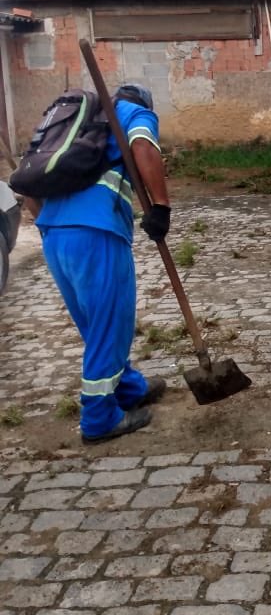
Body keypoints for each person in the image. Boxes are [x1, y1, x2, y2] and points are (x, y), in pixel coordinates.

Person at [26, 84, 172, 443]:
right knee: (111, 322)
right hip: (96, 233)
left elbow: (29, 181)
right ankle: (99, 417)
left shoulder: (73, 121)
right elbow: (142, 146)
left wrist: (52, 224)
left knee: (94, 323)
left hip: (55, 235)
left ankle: (128, 387)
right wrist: (162, 207)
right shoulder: (131, 114)